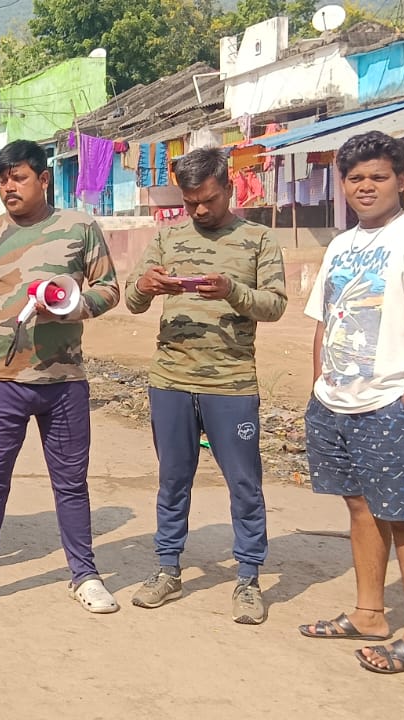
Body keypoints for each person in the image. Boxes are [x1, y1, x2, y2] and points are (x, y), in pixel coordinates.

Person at [297, 131, 404, 675]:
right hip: (338, 402)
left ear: (400, 180)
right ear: (343, 184)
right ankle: (370, 612)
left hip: (393, 402)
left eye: (378, 177)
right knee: (361, 506)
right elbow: (324, 319)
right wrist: (320, 386)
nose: (365, 187)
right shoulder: (342, 245)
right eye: (355, 178)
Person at [0, 140, 121, 615]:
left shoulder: (79, 228)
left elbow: (109, 289)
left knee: (70, 483)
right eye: (3, 180)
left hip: (63, 380)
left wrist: (73, 306)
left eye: (18, 178)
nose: (8, 187)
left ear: (44, 180)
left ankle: (84, 574)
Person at [122, 147, 287, 624]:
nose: (199, 210)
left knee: (244, 484)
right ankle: (168, 568)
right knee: (173, 479)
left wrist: (232, 291)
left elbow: (274, 306)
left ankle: (249, 577)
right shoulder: (168, 239)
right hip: (170, 380)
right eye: (190, 201)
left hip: (232, 385)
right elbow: (132, 302)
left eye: (208, 200)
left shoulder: (258, 240)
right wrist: (148, 286)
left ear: (228, 187)